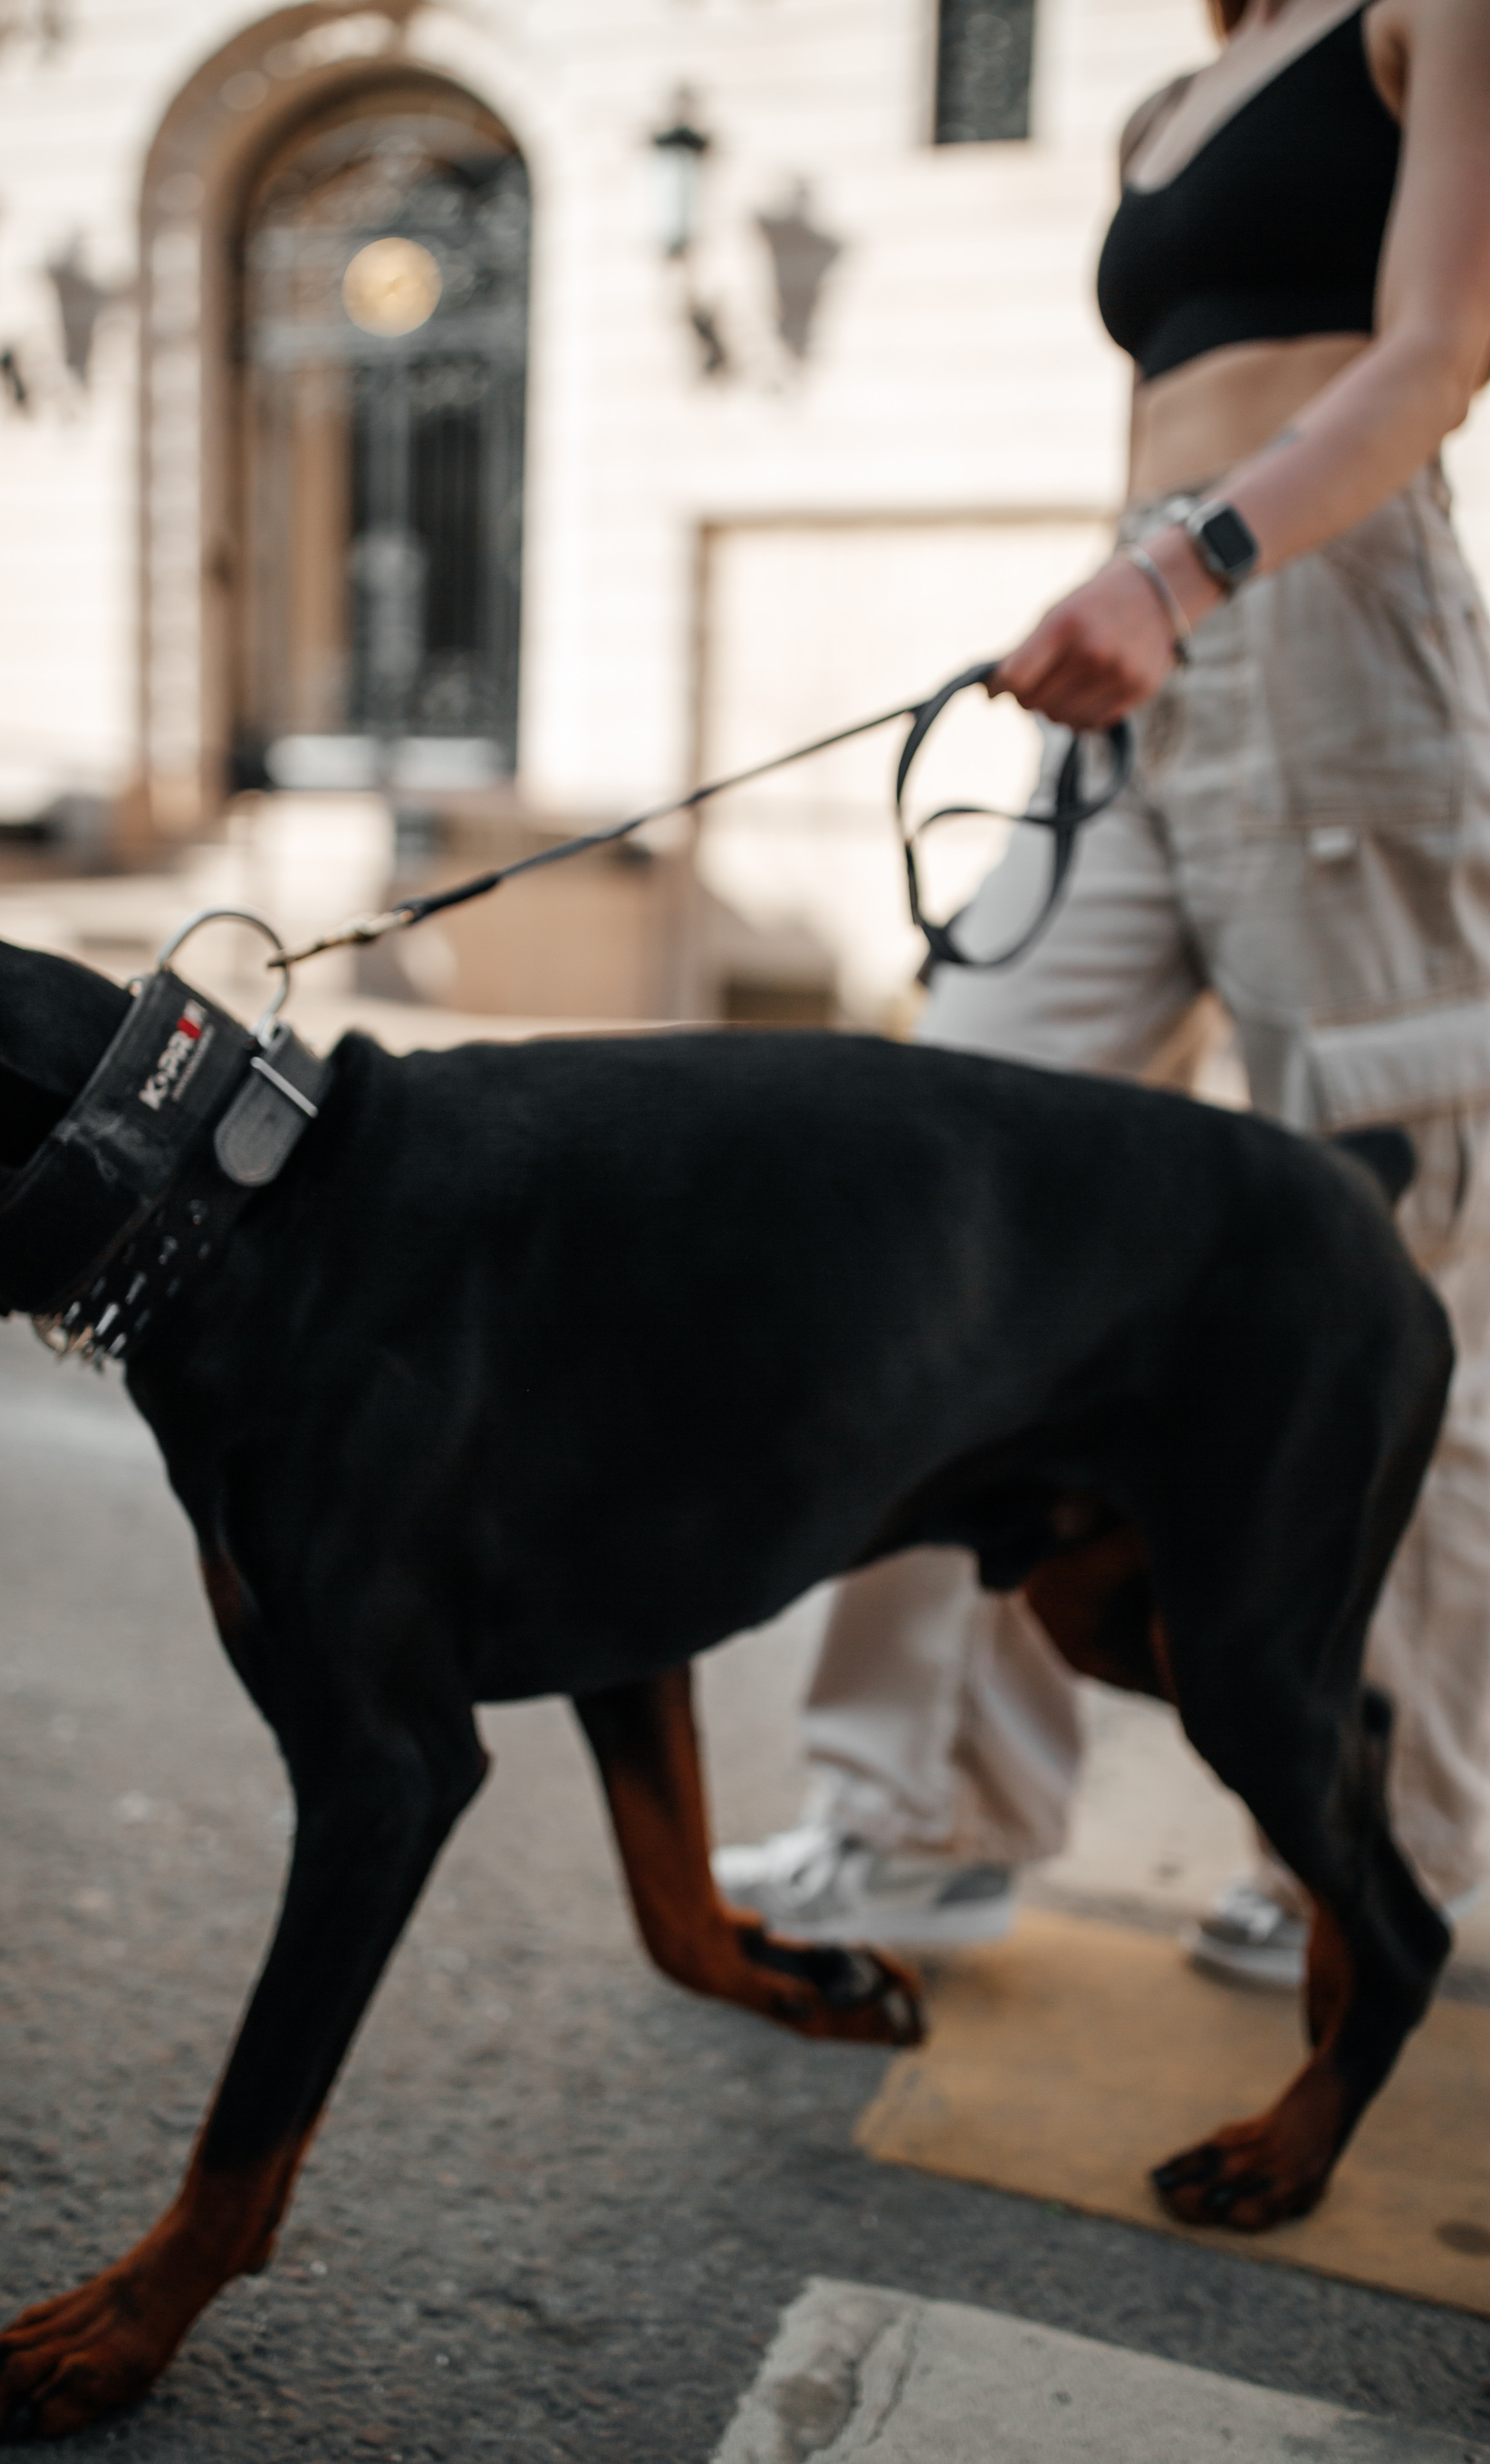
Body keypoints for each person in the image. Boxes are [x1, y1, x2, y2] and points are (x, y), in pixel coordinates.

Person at [717, 0, 1490, 1990]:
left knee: (1390, 1249)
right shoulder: (1177, 91)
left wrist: (1191, 570)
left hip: (1329, 620)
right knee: (938, 1204)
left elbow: (1439, 351)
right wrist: (1127, 587)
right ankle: (924, 1816)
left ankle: (1383, 1830)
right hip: (1154, 639)